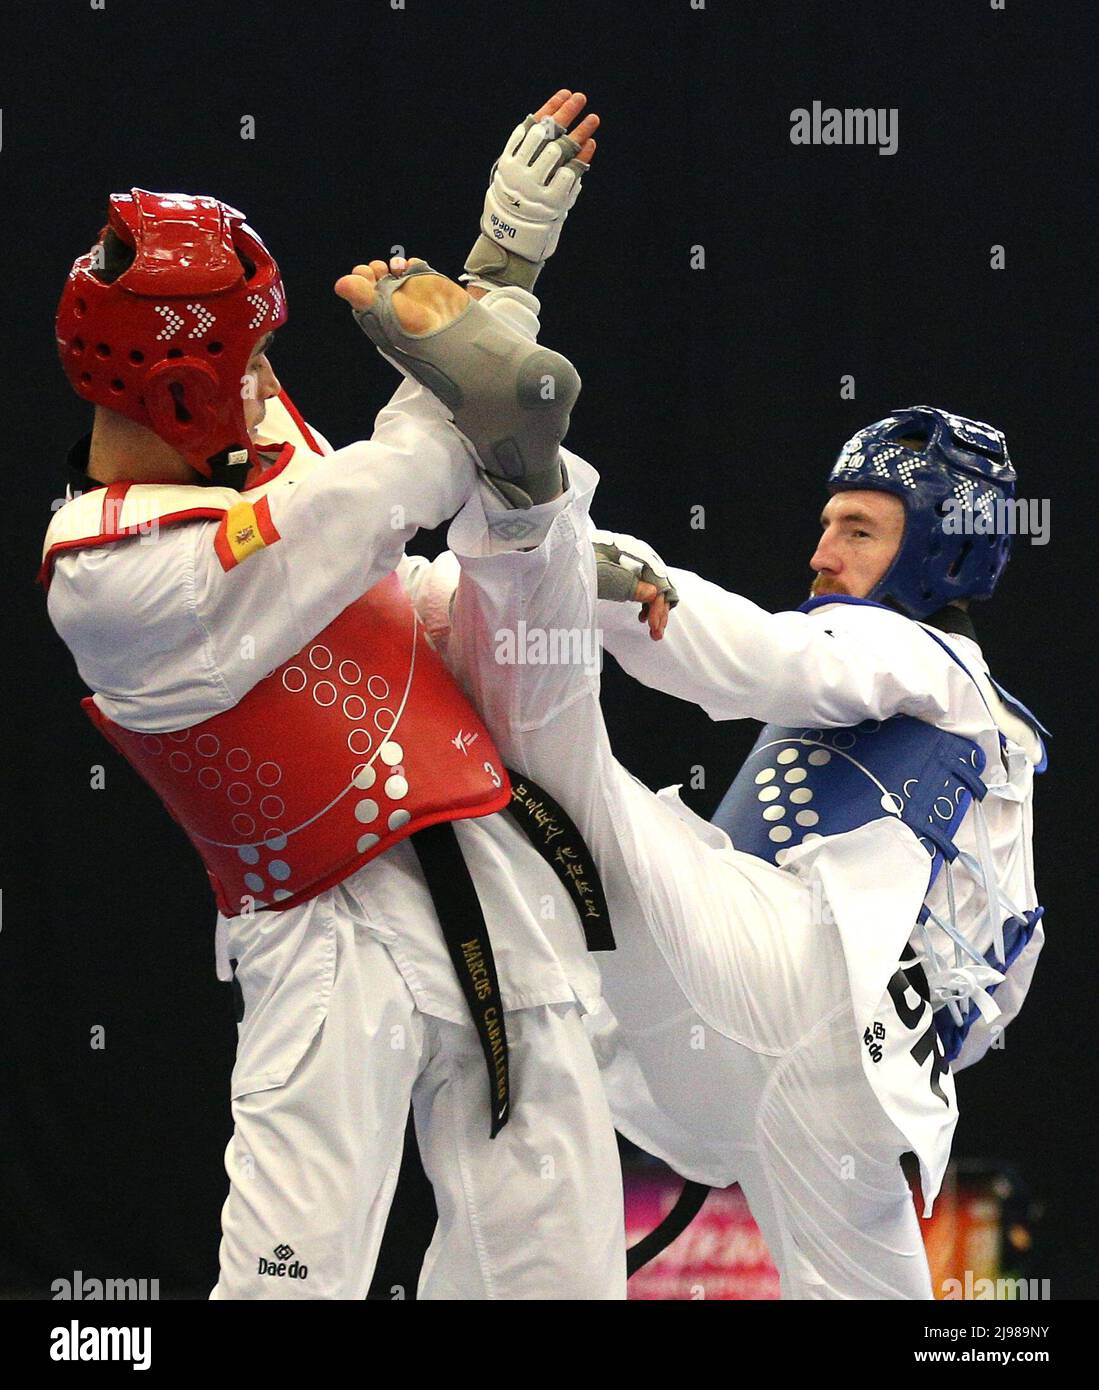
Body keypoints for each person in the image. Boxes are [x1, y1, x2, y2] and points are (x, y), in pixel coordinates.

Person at [39, 92, 642, 1301]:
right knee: (284, 1292)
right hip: (322, 949)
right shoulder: (109, 580)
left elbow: (378, 585)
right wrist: (500, 272)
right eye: (248, 359)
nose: (268, 382)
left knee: (559, 1283)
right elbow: (401, 480)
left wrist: (561, 557)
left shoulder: (250, 444)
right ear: (174, 392)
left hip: (479, 874)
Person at [405, 368, 1046, 1296]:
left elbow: (760, 660)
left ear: (941, 558)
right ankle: (487, 563)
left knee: (571, 786)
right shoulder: (987, 736)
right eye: (826, 524)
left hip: (770, 1009)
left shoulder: (924, 659)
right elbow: (1004, 970)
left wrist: (630, 579)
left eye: (859, 530)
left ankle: (504, 526)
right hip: (835, 1088)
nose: (822, 553)